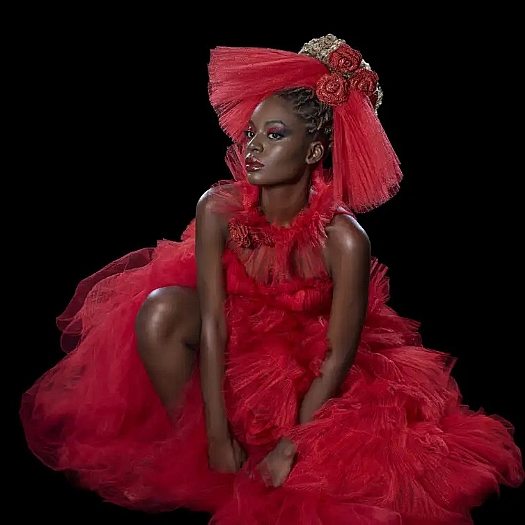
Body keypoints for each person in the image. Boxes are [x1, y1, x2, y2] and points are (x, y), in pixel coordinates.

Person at [20, 34, 523, 524]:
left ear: (313, 152)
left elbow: (336, 356)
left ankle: (265, 457)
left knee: (332, 476)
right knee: (160, 308)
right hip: (238, 340)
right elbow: (213, 321)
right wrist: (216, 434)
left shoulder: (344, 239)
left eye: (275, 135)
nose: (254, 148)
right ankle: (198, 452)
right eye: (252, 134)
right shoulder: (219, 208)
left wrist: (290, 446)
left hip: (313, 366)